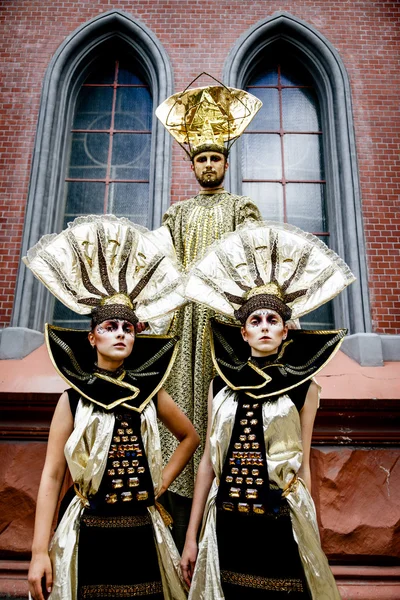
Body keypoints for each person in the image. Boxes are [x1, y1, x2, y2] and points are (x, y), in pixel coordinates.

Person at [24, 215, 199, 600]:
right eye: (110, 327)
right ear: (91, 338)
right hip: (88, 529)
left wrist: (161, 482)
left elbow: (190, 436)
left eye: (128, 327)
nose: (120, 333)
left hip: (143, 530)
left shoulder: (150, 392)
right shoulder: (73, 397)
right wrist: (39, 551)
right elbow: (52, 477)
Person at [181, 220, 356, 598]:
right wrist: (191, 537)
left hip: (279, 522)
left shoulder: (304, 389)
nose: (263, 326)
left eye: (272, 320)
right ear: (243, 332)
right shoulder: (220, 385)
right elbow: (208, 464)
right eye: (255, 320)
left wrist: (312, 532)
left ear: (285, 331)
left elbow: (304, 463)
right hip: (227, 523)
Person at [154, 75, 263, 545]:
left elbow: (255, 261)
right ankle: (175, 518)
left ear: (225, 162)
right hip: (182, 327)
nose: (209, 165)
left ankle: (221, 512)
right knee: (179, 413)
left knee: (224, 415)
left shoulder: (242, 208)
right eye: (201, 158)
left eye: (215, 157)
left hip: (222, 328)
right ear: (192, 165)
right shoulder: (176, 214)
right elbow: (160, 268)